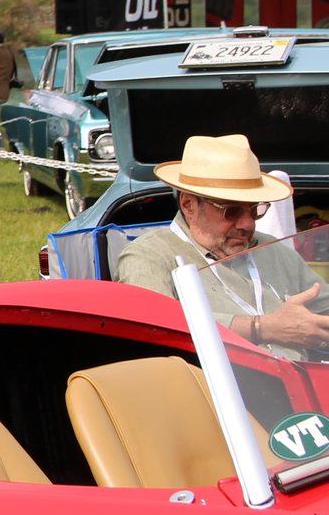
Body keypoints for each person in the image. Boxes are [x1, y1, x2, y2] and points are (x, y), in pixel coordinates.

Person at [117, 134, 329, 358]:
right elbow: (155, 328)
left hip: (302, 385)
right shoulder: (150, 255)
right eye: (232, 211)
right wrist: (260, 329)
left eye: (255, 209)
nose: (248, 224)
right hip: (209, 389)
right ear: (189, 204)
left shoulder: (273, 249)